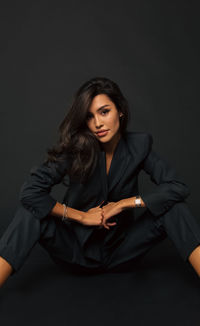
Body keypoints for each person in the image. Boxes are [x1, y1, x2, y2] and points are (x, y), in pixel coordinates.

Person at [0, 76, 200, 288]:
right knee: (29, 213)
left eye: (104, 112)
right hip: (75, 252)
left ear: (120, 111)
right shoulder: (75, 149)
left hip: (122, 252)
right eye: (89, 116)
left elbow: (177, 187)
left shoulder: (139, 146)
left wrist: (125, 203)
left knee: (174, 208)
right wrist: (82, 217)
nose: (97, 123)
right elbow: (30, 193)